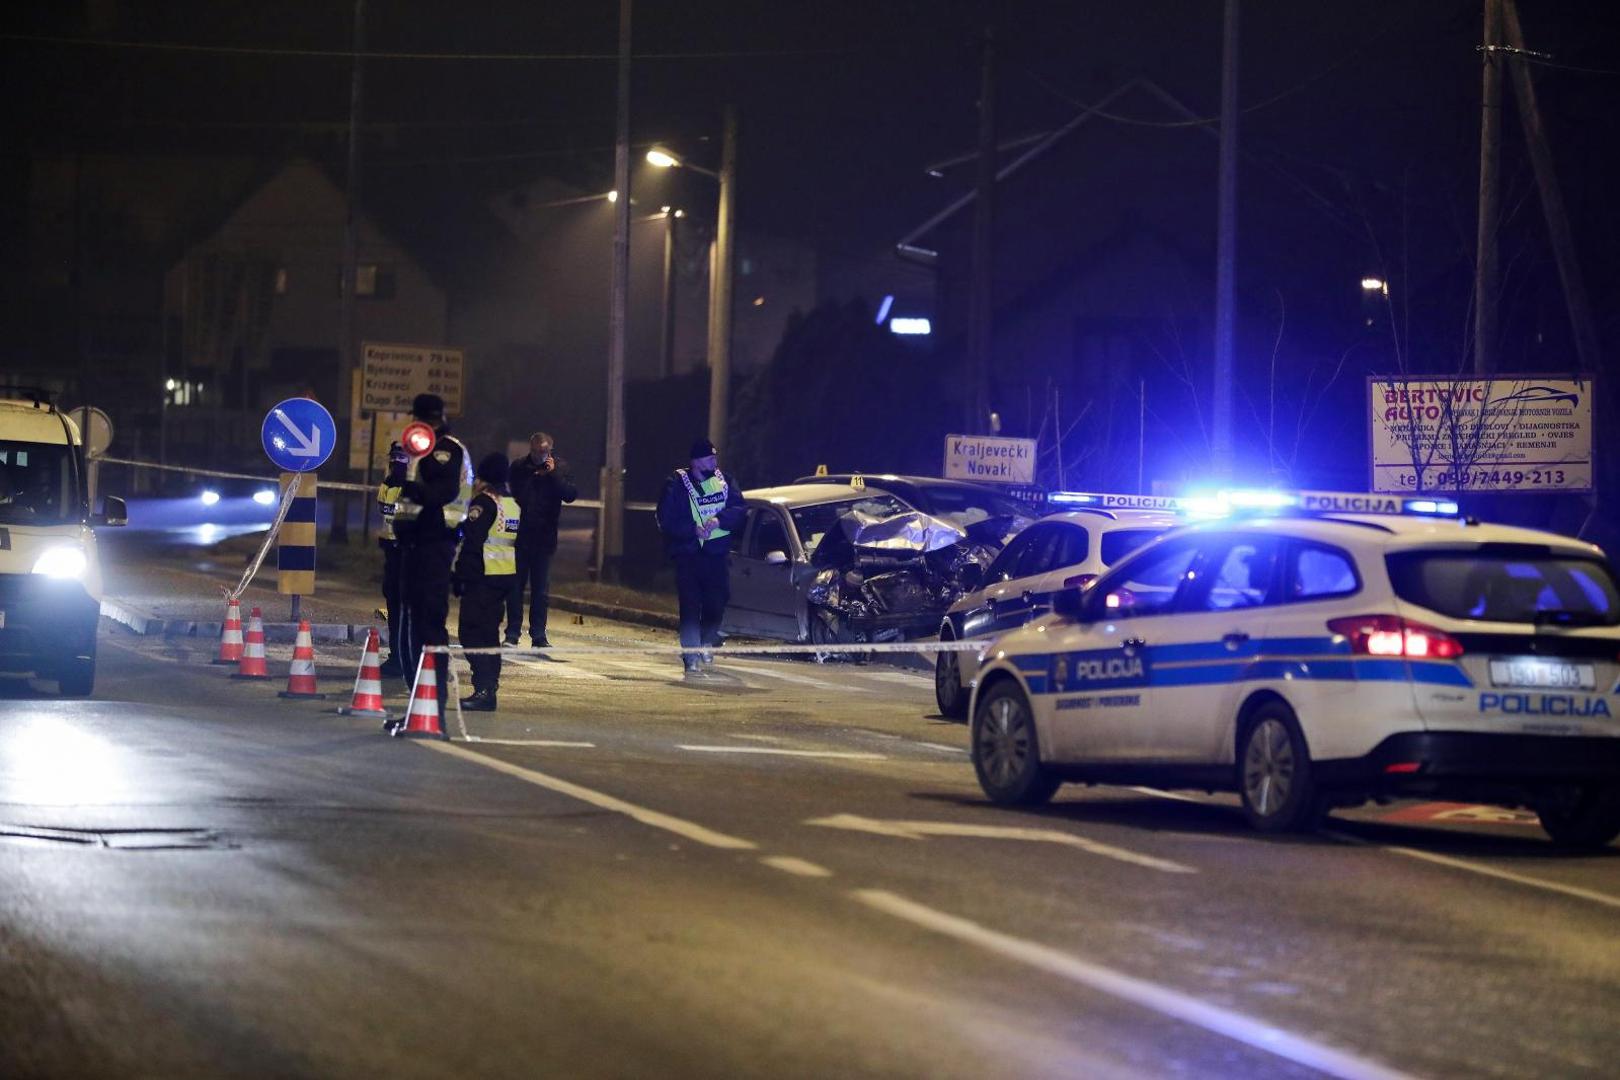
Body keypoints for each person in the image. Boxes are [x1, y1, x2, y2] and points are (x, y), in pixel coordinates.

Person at [387, 393, 472, 689]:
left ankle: (431, 697)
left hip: (437, 543)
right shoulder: (416, 449)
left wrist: (412, 485)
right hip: (412, 545)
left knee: (430, 622)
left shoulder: (447, 450)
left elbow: (441, 493)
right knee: (412, 618)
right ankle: (416, 697)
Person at [655, 437, 745, 677]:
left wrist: (719, 520)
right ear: (695, 461)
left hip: (716, 555)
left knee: (718, 601)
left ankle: (707, 640)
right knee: (690, 606)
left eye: (715, 457)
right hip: (688, 555)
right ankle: (691, 656)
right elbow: (666, 519)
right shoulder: (676, 483)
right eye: (709, 458)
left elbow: (738, 509)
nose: (714, 461)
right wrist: (692, 529)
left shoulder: (725, 481)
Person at [454, 453, 521, 711]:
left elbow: (472, 542)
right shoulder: (512, 504)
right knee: (490, 635)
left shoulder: (484, 503)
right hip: (503, 578)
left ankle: (483, 689)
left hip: (481, 578)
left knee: (471, 633)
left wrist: (460, 576)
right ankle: (489, 688)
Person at [505, 431, 577, 647]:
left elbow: (570, 494)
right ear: (531, 449)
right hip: (520, 536)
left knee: (541, 591)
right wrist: (533, 476)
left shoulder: (561, 468)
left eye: (545, 452)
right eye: (537, 452)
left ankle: (538, 635)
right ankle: (512, 633)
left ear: (551, 450)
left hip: (544, 538)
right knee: (515, 588)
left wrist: (552, 475)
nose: (541, 456)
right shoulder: (518, 467)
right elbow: (511, 494)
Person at [375, 441, 409, 677]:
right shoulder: (386, 486)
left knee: (408, 610)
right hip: (392, 554)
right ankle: (397, 658)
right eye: (394, 457)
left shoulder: (414, 488)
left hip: (409, 556)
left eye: (401, 457)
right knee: (395, 608)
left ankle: (407, 659)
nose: (396, 461)